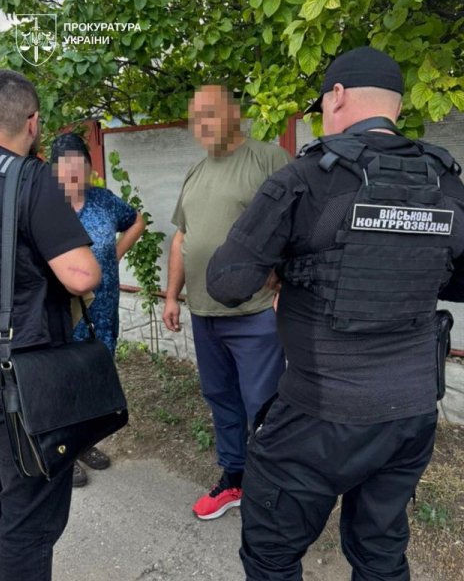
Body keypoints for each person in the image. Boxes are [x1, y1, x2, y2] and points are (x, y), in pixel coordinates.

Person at [207, 47, 464, 580]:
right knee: (381, 556)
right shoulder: (446, 183)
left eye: (322, 104)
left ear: (338, 96)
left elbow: (227, 283)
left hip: (319, 416)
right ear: (395, 107)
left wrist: (283, 268)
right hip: (410, 416)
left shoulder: (306, 178)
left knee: (271, 554)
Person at [0, 69, 101, 581]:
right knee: (28, 523)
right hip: (16, 384)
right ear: (32, 123)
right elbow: (81, 275)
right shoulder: (29, 179)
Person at [163, 84, 291, 520]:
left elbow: (298, 227)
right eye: (194, 117)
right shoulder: (195, 172)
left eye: (209, 114)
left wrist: (286, 283)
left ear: (234, 113)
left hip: (254, 314)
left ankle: (271, 489)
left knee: (264, 403)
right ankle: (234, 479)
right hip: (204, 314)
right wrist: (172, 296)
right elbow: (182, 238)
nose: (199, 124)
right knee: (221, 399)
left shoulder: (269, 159)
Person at [51, 133, 146, 487]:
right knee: (64, 381)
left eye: (79, 165)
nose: (73, 172)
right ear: (54, 170)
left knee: (95, 379)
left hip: (104, 310)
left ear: (89, 167)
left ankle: (85, 442)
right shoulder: (46, 207)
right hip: (65, 313)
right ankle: (64, 451)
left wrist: (115, 255)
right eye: (65, 166)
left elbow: (136, 221)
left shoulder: (103, 200)